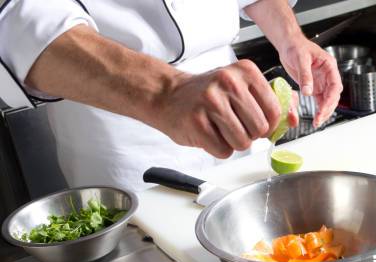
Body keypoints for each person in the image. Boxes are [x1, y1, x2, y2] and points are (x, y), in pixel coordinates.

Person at [0, 0, 342, 191]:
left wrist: (290, 37)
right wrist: (166, 92)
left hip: (234, 105)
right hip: (127, 137)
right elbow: (17, 21)